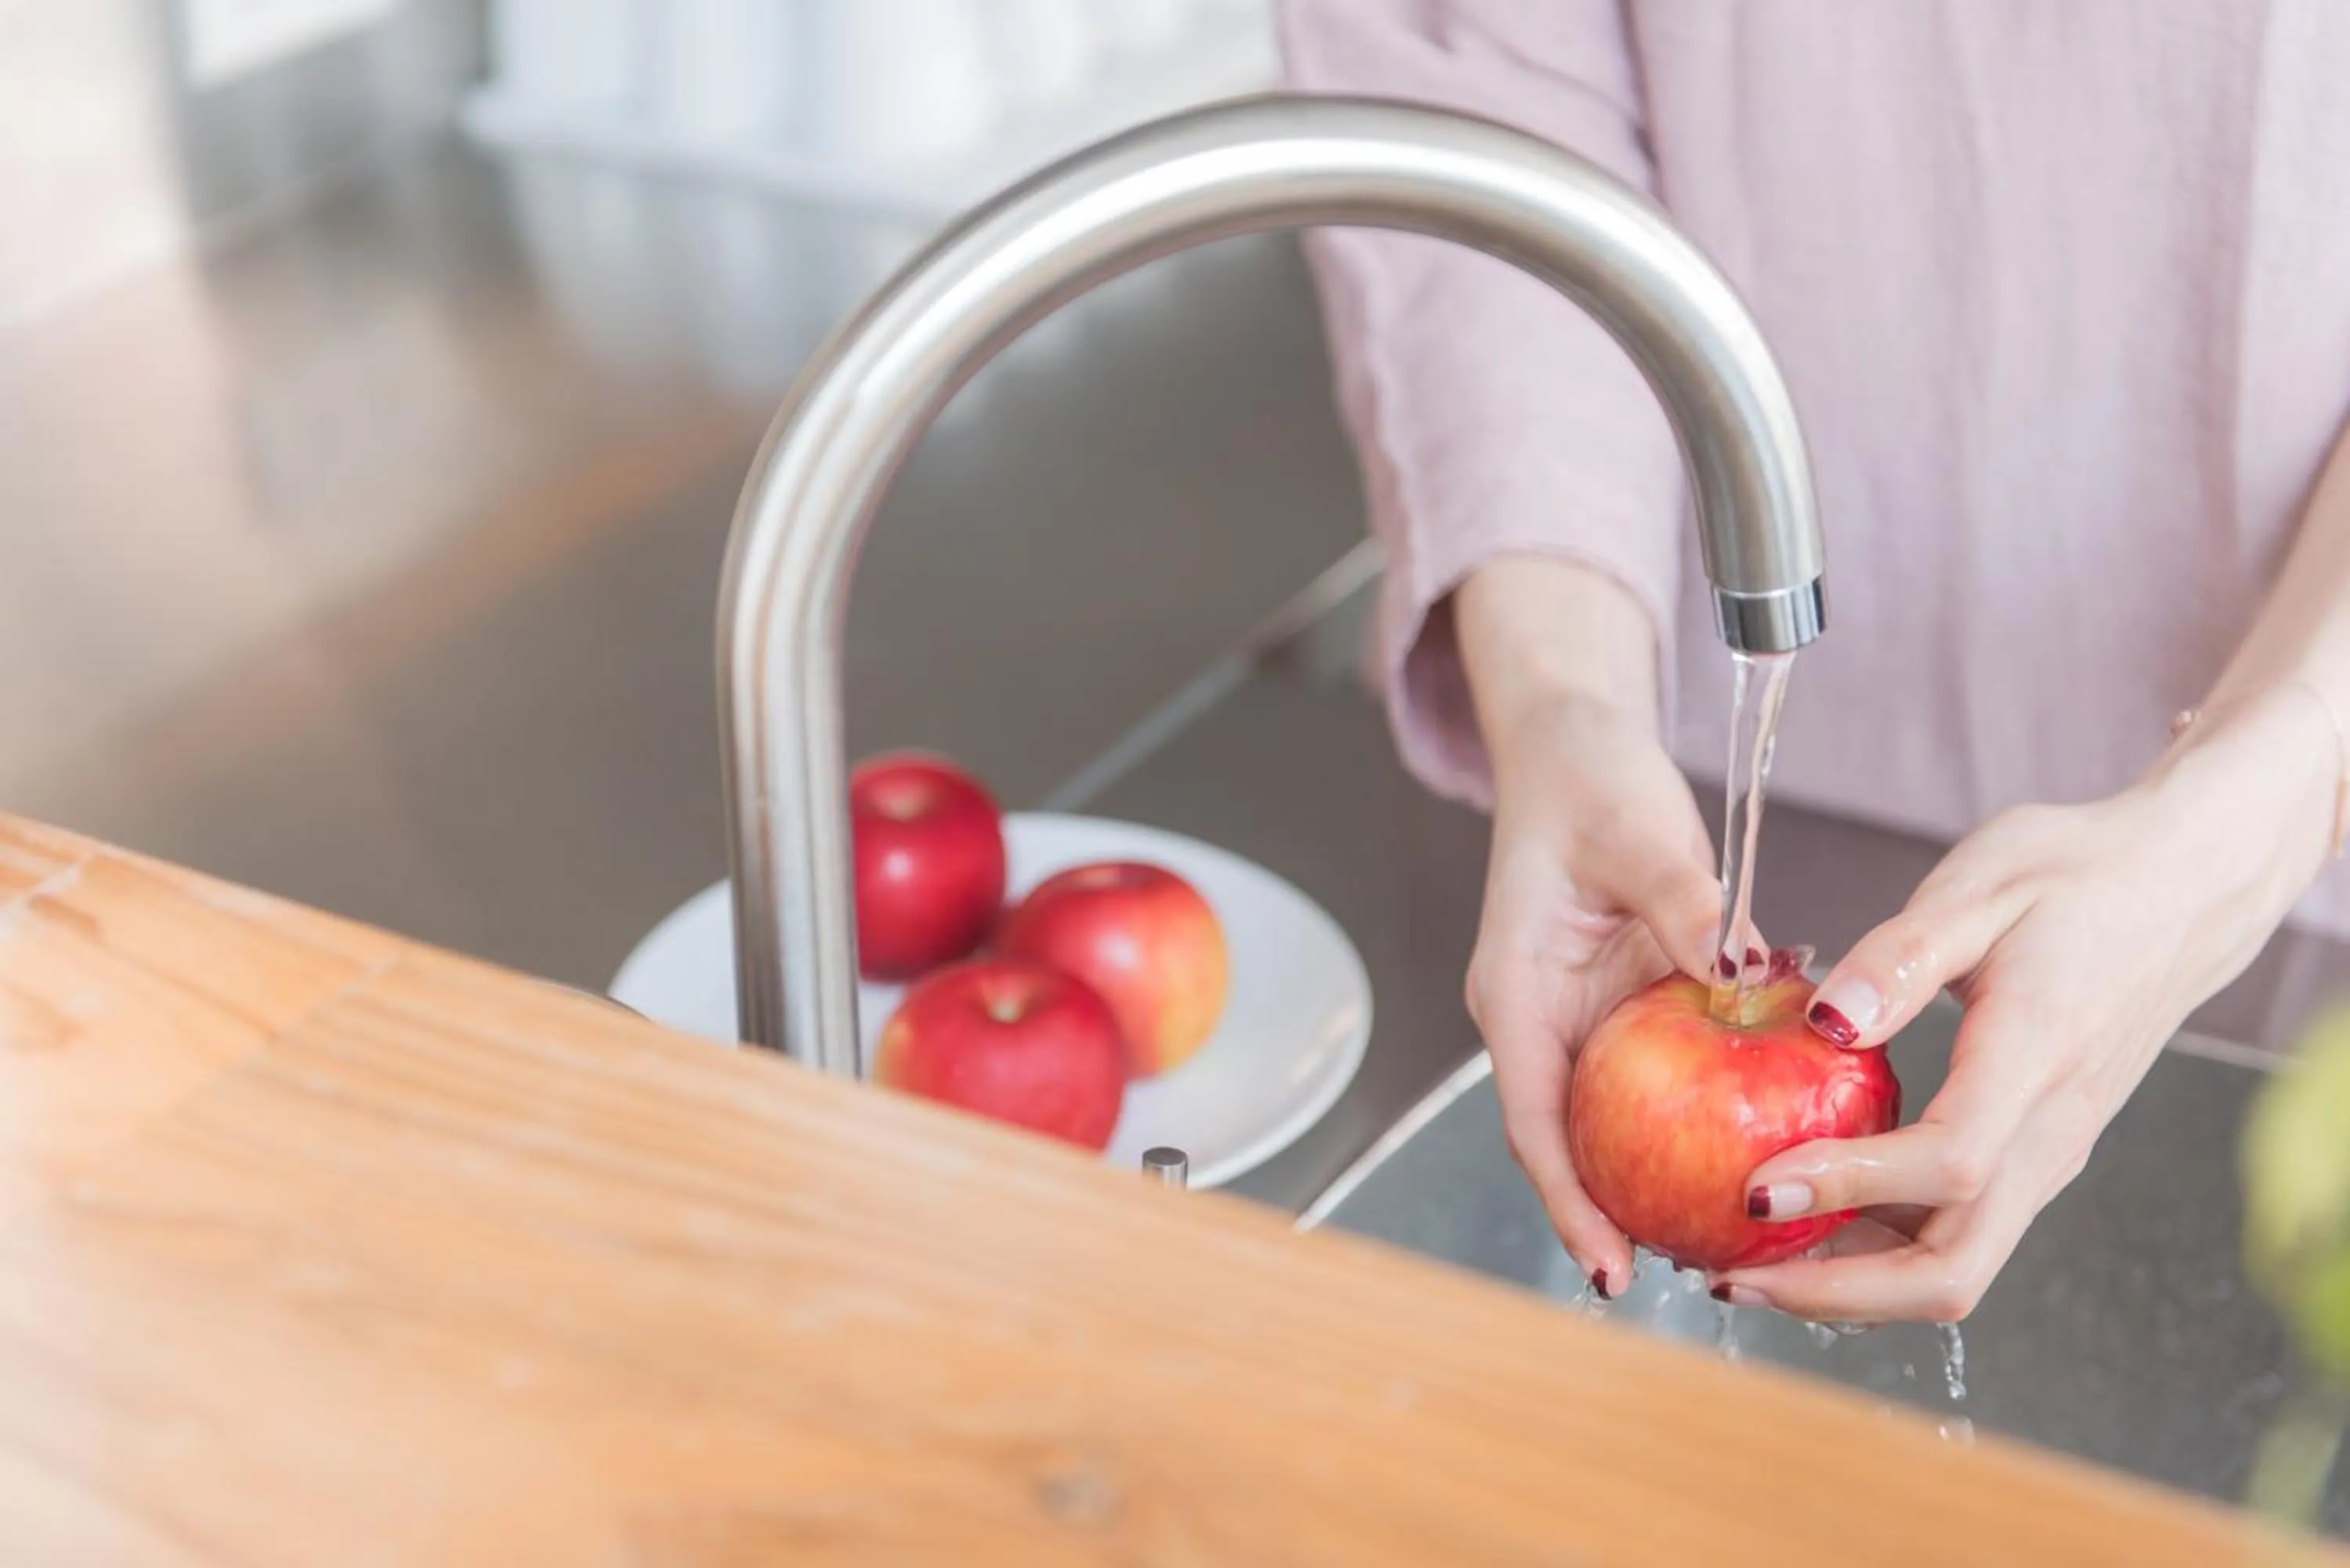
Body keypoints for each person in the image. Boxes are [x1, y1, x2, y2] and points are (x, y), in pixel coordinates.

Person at [1278, 0, 2350, 1322]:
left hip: (2295, 835)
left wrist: (2283, 768)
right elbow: (1480, 79)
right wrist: (1565, 701)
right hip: (1687, 748)